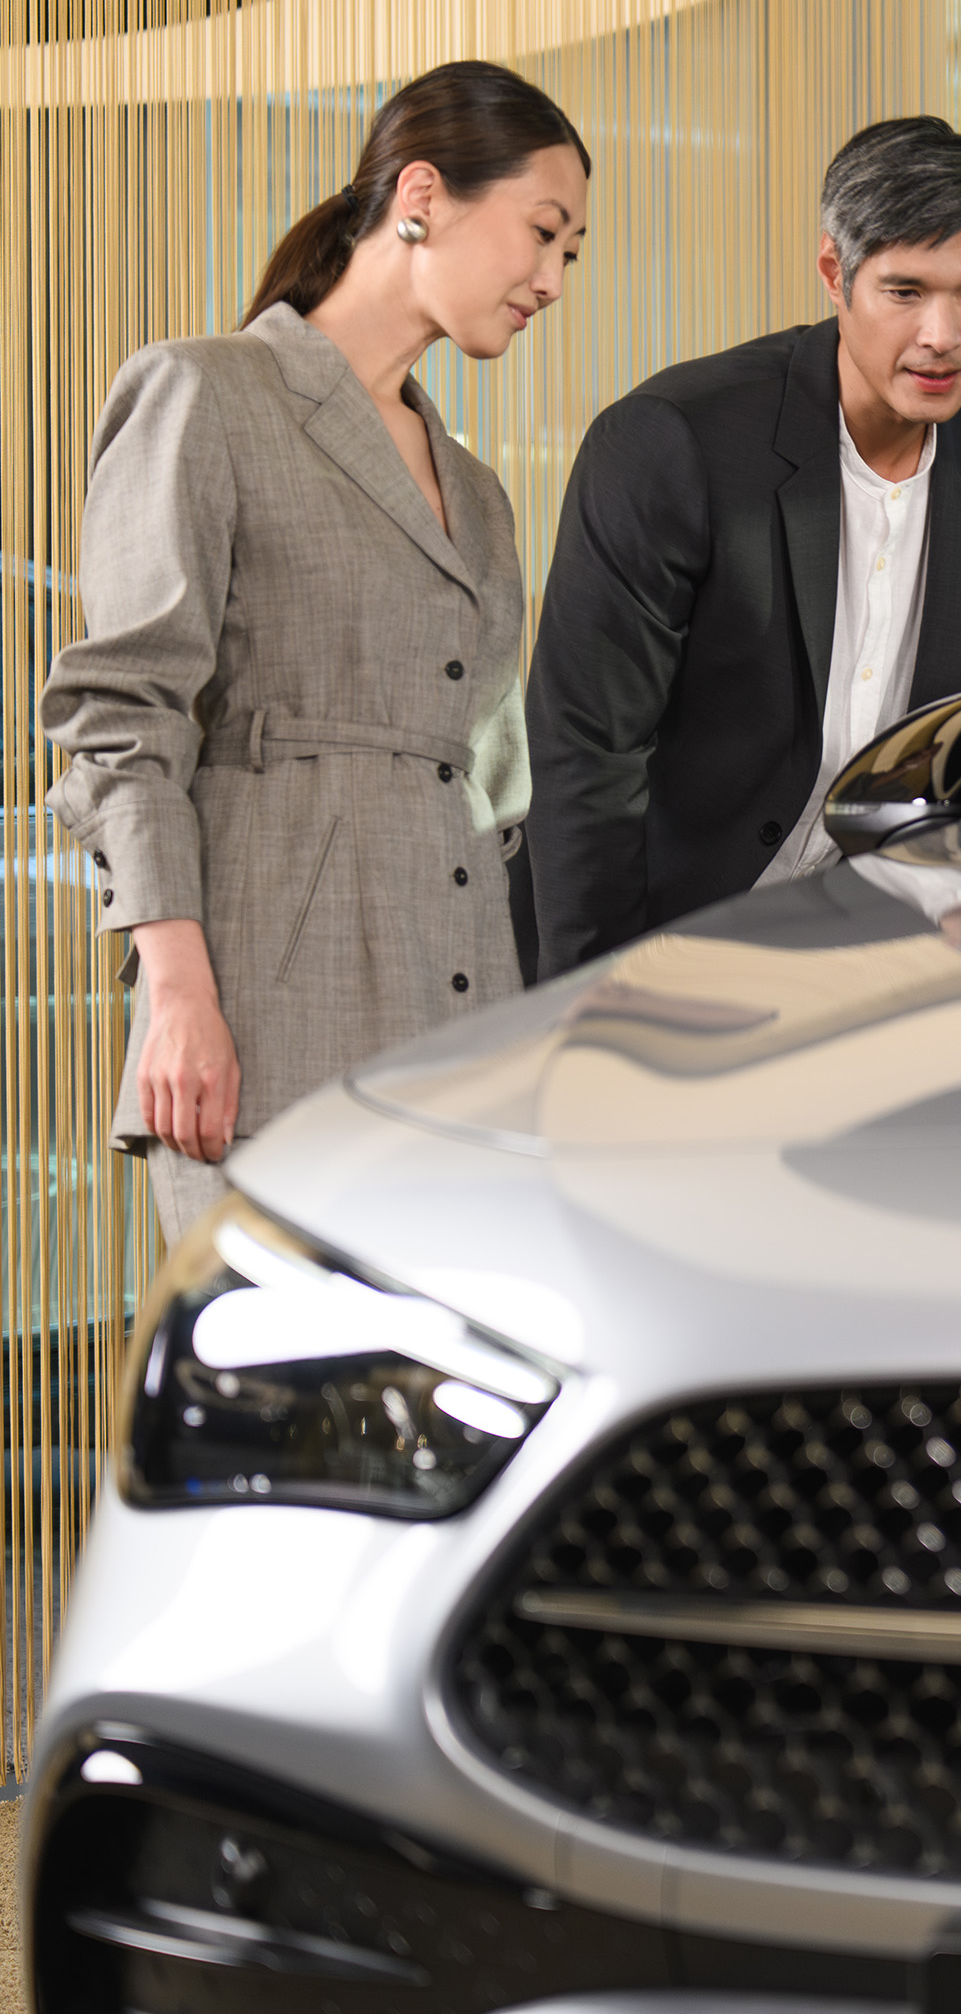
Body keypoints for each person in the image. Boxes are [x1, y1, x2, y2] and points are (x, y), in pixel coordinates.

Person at [40, 60, 590, 1242]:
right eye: (542, 234)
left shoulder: (481, 496)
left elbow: (491, 780)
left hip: (460, 1011)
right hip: (264, 1006)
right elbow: (121, 718)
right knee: (276, 1404)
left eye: (571, 255)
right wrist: (176, 994)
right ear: (423, 195)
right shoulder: (209, 394)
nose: (550, 279)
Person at [519, 113, 961, 982]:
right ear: (833, 275)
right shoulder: (673, 443)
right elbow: (586, 756)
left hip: (858, 951)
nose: (942, 336)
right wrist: (592, 1005)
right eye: (904, 291)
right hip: (651, 939)